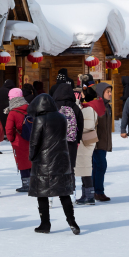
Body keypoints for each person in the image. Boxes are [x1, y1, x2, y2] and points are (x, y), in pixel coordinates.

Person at [27, 93, 80, 235]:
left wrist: (31, 157)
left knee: (42, 193)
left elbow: (34, 142)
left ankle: (45, 224)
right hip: (61, 159)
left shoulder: (39, 119)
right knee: (64, 193)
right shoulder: (61, 117)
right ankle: (72, 221)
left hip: (43, 161)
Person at [50, 79, 82, 187]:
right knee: (70, 166)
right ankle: (71, 188)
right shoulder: (75, 107)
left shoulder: (53, 106)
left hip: (56, 141)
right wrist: (78, 139)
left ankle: (58, 188)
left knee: (57, 165)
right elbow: (81, 124)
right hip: (72, 141)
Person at [74, 89, 99, 205]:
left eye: (82, 94)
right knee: (85, 166)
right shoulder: (92, 108)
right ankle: (87, 194)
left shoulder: (86, 110)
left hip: (85, 139)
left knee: (85, 167)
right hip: (90, 138)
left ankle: (88, 195)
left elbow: (79, 122)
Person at [4, 87, 32, 193]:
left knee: (23, 162)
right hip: (32, 139)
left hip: (19, 141)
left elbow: (9, 129)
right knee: (32, 160)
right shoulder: (30, 108)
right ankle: (34, 183)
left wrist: (11, 139)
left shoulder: (13, 112)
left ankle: (26, 184)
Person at [91, 83, 113, 201]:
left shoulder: (108, 106)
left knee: (97, 166)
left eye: (110, 91)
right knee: (100, 166)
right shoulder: (96, 106)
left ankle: (94, 191)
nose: (110, 94)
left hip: (103, 142)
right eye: (107, 91)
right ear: (100, 93)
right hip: (96, 143)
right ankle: (98, 191)